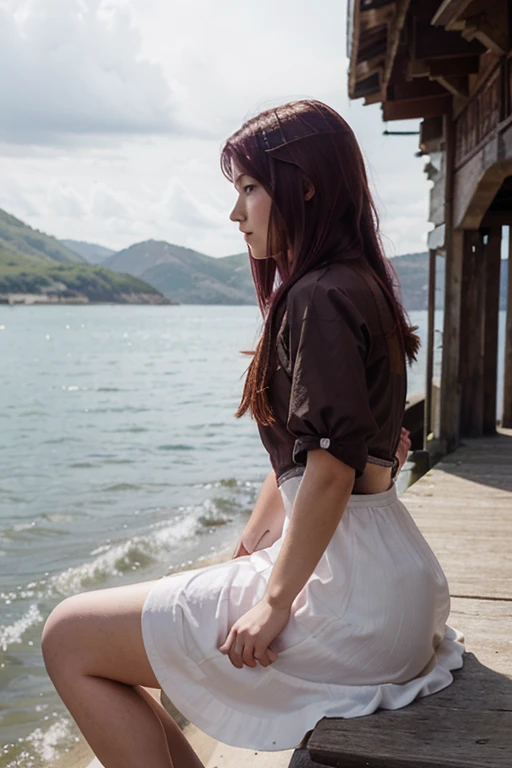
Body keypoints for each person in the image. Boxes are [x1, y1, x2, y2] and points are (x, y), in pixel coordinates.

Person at [41, 100, 464, 768]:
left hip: (351, 600)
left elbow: (328, 469)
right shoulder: (359, 285)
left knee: (68, 637)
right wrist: (249, 549)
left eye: (247, 189)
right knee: (121, 622)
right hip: (394, 583)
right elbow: (325, 457)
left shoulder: (315, 298)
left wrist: (273, 601)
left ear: (306, 184)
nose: (236, 213)